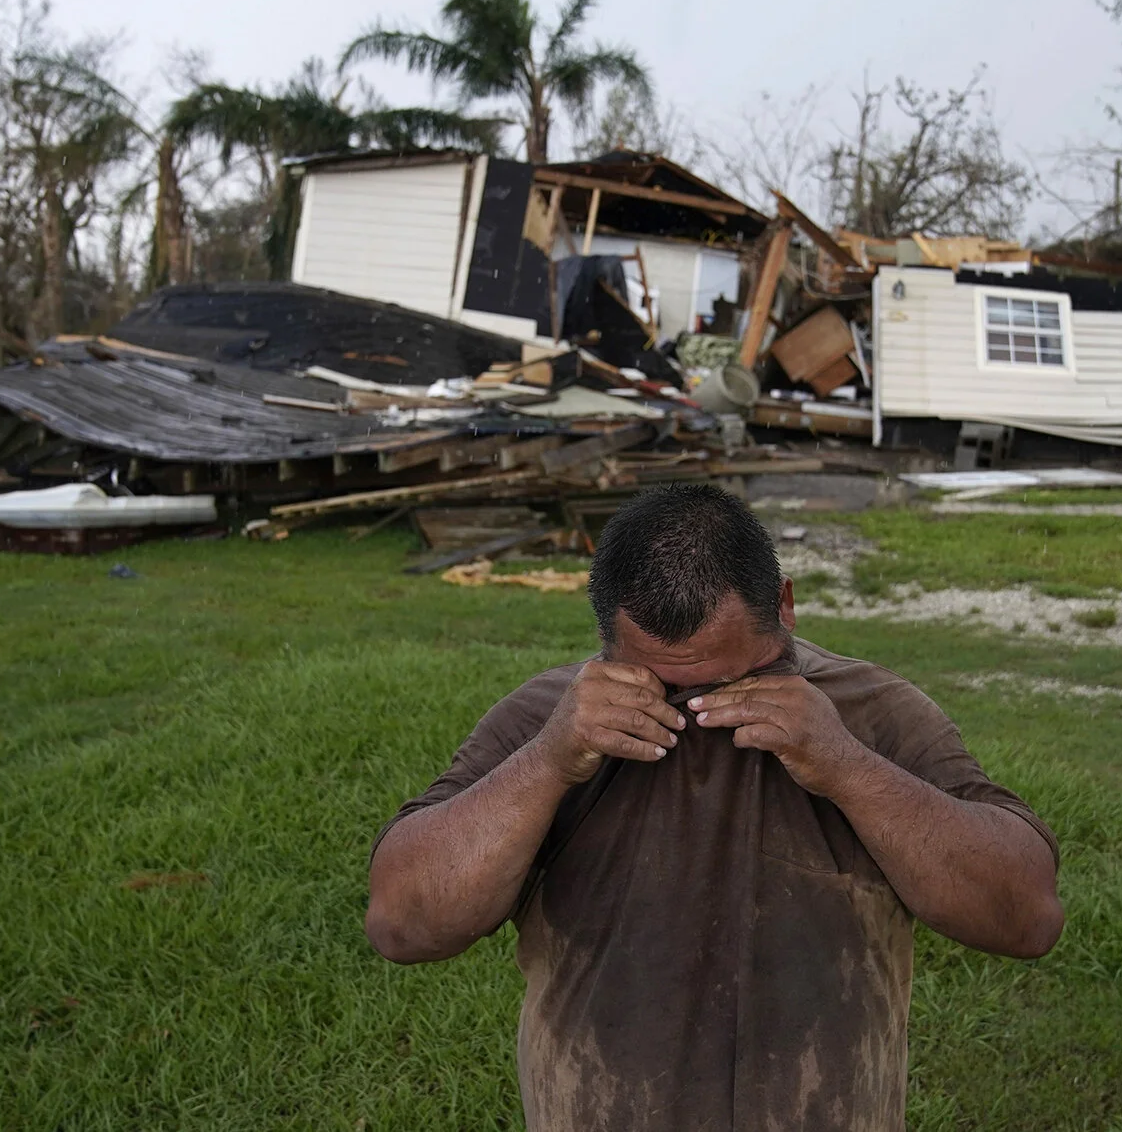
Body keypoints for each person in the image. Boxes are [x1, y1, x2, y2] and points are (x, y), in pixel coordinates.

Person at [366, 484, 1063, 1130]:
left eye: (736, 678)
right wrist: (550, 761)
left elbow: (1026, 916)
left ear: (784, 605)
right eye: (660, 683)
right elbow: (403, 924)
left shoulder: (874, 711)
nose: (699, 710)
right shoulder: (553, 718)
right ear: (607, 634)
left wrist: (846, 764)